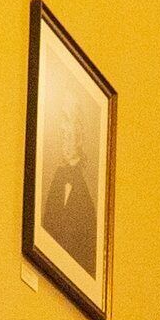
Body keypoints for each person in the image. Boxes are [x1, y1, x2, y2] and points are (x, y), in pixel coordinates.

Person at [40, 101, 98, 269]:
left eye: (67, 119)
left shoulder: (86, 203)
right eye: (60, 119)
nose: (61, 128)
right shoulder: (57, 179)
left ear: (79, 133)